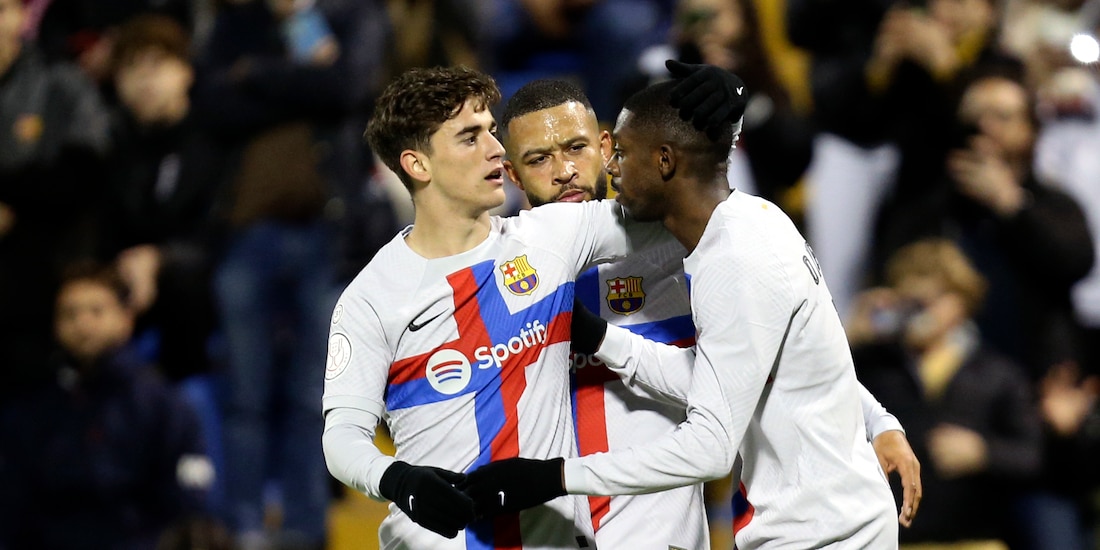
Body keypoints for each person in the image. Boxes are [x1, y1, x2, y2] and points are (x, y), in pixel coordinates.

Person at [463, 79, 901, 549]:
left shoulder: (683, 239)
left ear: (607, 146)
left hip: (673, 533)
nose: (565, 170)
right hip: (550, 531)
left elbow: (778, 351)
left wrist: (877, 420)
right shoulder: (496, 270)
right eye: (539, 158)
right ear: (511, 172)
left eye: (577, 148)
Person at [320, 65, 694, 547]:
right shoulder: (371, 297)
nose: (496, 149)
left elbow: (690, 205)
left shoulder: (553, 237)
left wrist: (723, 121)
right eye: (469, 138)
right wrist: (398, 482)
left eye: (492, 132)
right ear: (418, 165)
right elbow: (342, 438)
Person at [0, 261, 214, 548]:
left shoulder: (160, 402)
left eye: (96, 311)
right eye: (69, 313)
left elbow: (187, 493)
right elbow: (15, 497)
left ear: (126, 319)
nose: (82, 324)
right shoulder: (34, 406)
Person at [848, 238, 1043, 548]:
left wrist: (984, 452)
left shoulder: (997, 372)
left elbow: (1033, 456)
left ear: (962, 301)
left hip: (976, 539)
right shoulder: (873, 368)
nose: (920, 314)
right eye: (909, 302)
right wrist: (850, 336)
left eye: (930, 301)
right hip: (897, 540)